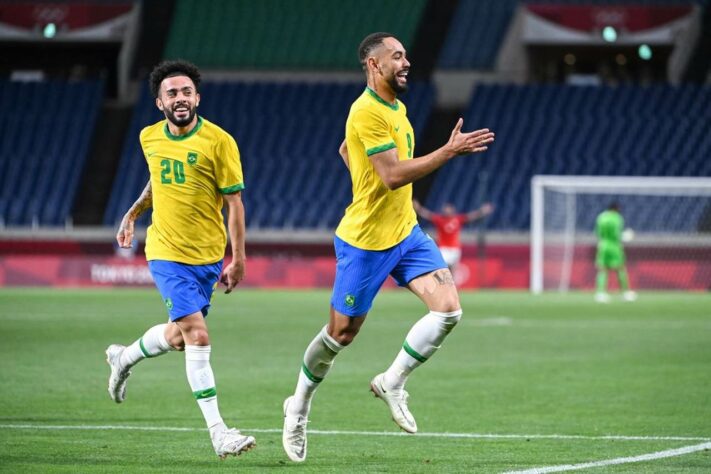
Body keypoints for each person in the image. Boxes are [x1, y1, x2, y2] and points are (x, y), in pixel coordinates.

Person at [281, 32, 495, 463]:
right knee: (342, 334)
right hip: (365, 243)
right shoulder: (365, 111)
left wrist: (364, 177)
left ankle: (392, 381)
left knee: (448, 309)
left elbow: (347, 149)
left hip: (407, 234)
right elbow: (394, 176)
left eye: (406, 55)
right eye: (397, 56)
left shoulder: (396, 107)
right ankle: (298, 405)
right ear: (373, 65)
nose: (406, 62)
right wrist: (449, 151)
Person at [105, 60, 255, 459]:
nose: (181, 98)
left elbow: (235, 204)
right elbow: (157, 178)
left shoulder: (219, 141)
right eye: (172, 93)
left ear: (197, 98)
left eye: (187, 92)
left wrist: (237, 258)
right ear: (159, 102)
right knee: (198, 336)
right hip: (166, 252)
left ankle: (123, 357)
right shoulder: (148, 137)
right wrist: (133, 213)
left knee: (177, 337)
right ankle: (219, 433)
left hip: (207, 256)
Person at [412, 200, 494, 275]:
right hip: (443, 248)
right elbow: (428, 215)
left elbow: (471, 216)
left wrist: (482, 211)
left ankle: (453, 288)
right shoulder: (439, 219)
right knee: (443, 270)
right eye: (445, 208)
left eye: (448, 209)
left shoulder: (458, 219)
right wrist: (419, 209)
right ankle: (442, 288)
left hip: (455, 248)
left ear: (452, 210)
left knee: (453, 270)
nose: (446, 210)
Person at [595, 202, 637, 303]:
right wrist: (625, 236)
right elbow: (616, 234)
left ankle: (600, 293)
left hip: (603, 245)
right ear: (616, 209)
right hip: (614, 246)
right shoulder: (617, 218)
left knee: (603, 269)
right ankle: (626, 293)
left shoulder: (601, 217)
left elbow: (598, 233)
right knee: (620, 268)